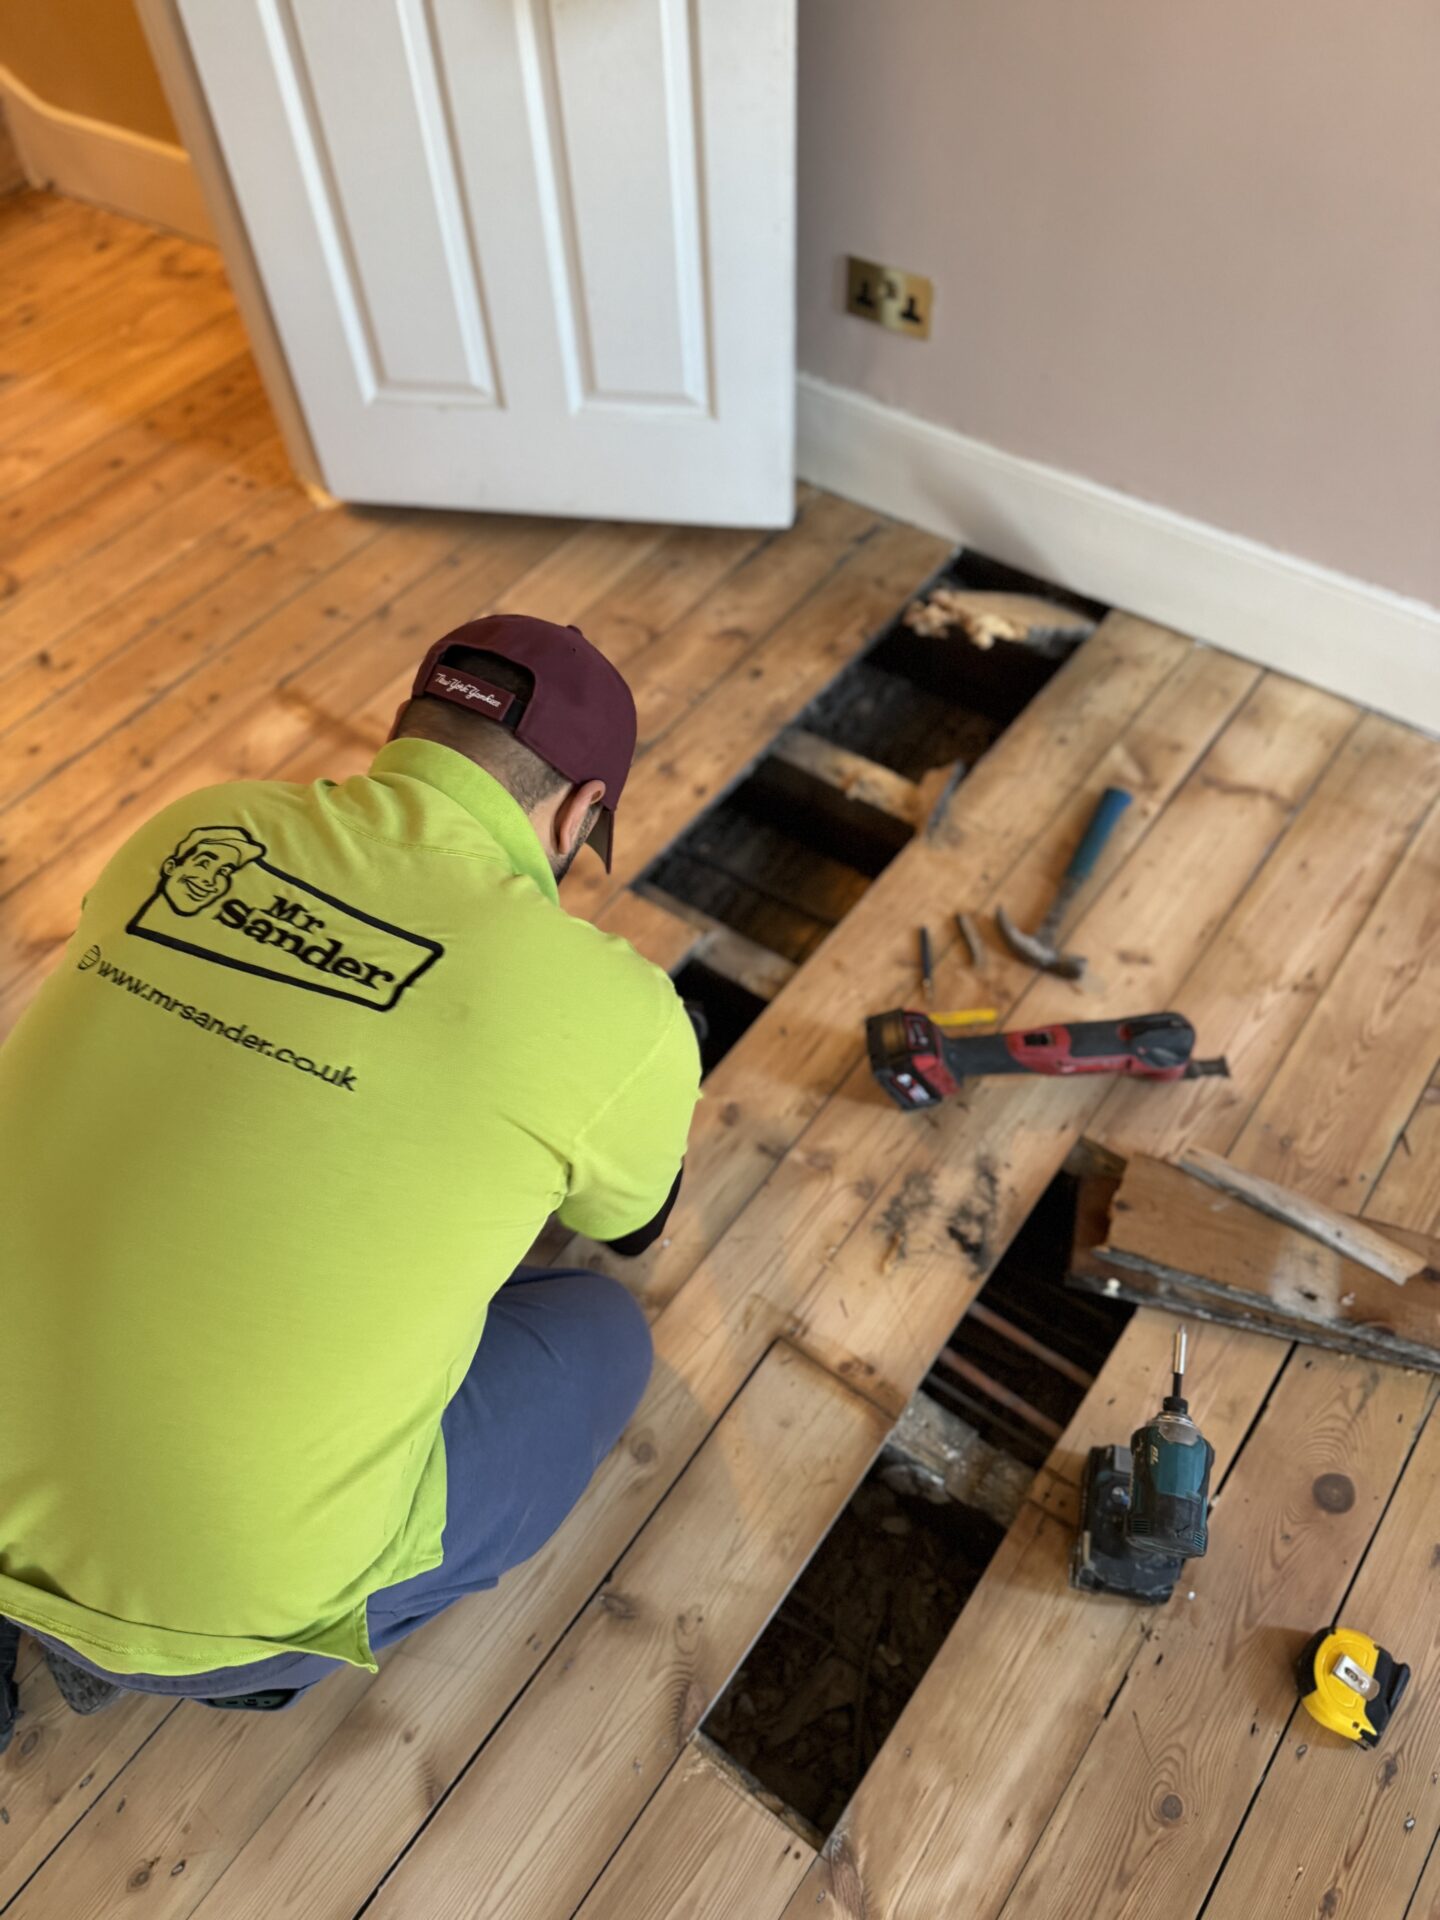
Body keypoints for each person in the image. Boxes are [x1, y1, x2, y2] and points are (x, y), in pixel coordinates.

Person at [0, 613, 701, 1738]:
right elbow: (630, 1224)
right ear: (579, 815)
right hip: (214, 1608)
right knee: (601, 1334)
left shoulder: (198, 826)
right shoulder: (619, 1012)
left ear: (406, 730)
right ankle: (201, 1657)